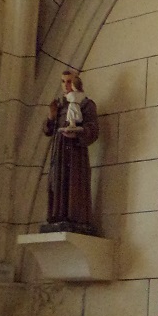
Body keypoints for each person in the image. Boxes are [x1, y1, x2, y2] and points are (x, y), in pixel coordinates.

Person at [41, 69, 99, 234]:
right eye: (63, 82)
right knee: (58, 181)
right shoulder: (59, 106)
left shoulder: (86, 104)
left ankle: (75, 217)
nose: (66, 85)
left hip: (75, 153)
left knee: (74, 183)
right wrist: (51, 117)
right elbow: (47, 130)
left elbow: (93, 129)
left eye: (69, 81)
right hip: (59, 151)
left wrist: (78, 133)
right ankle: (58, 216)